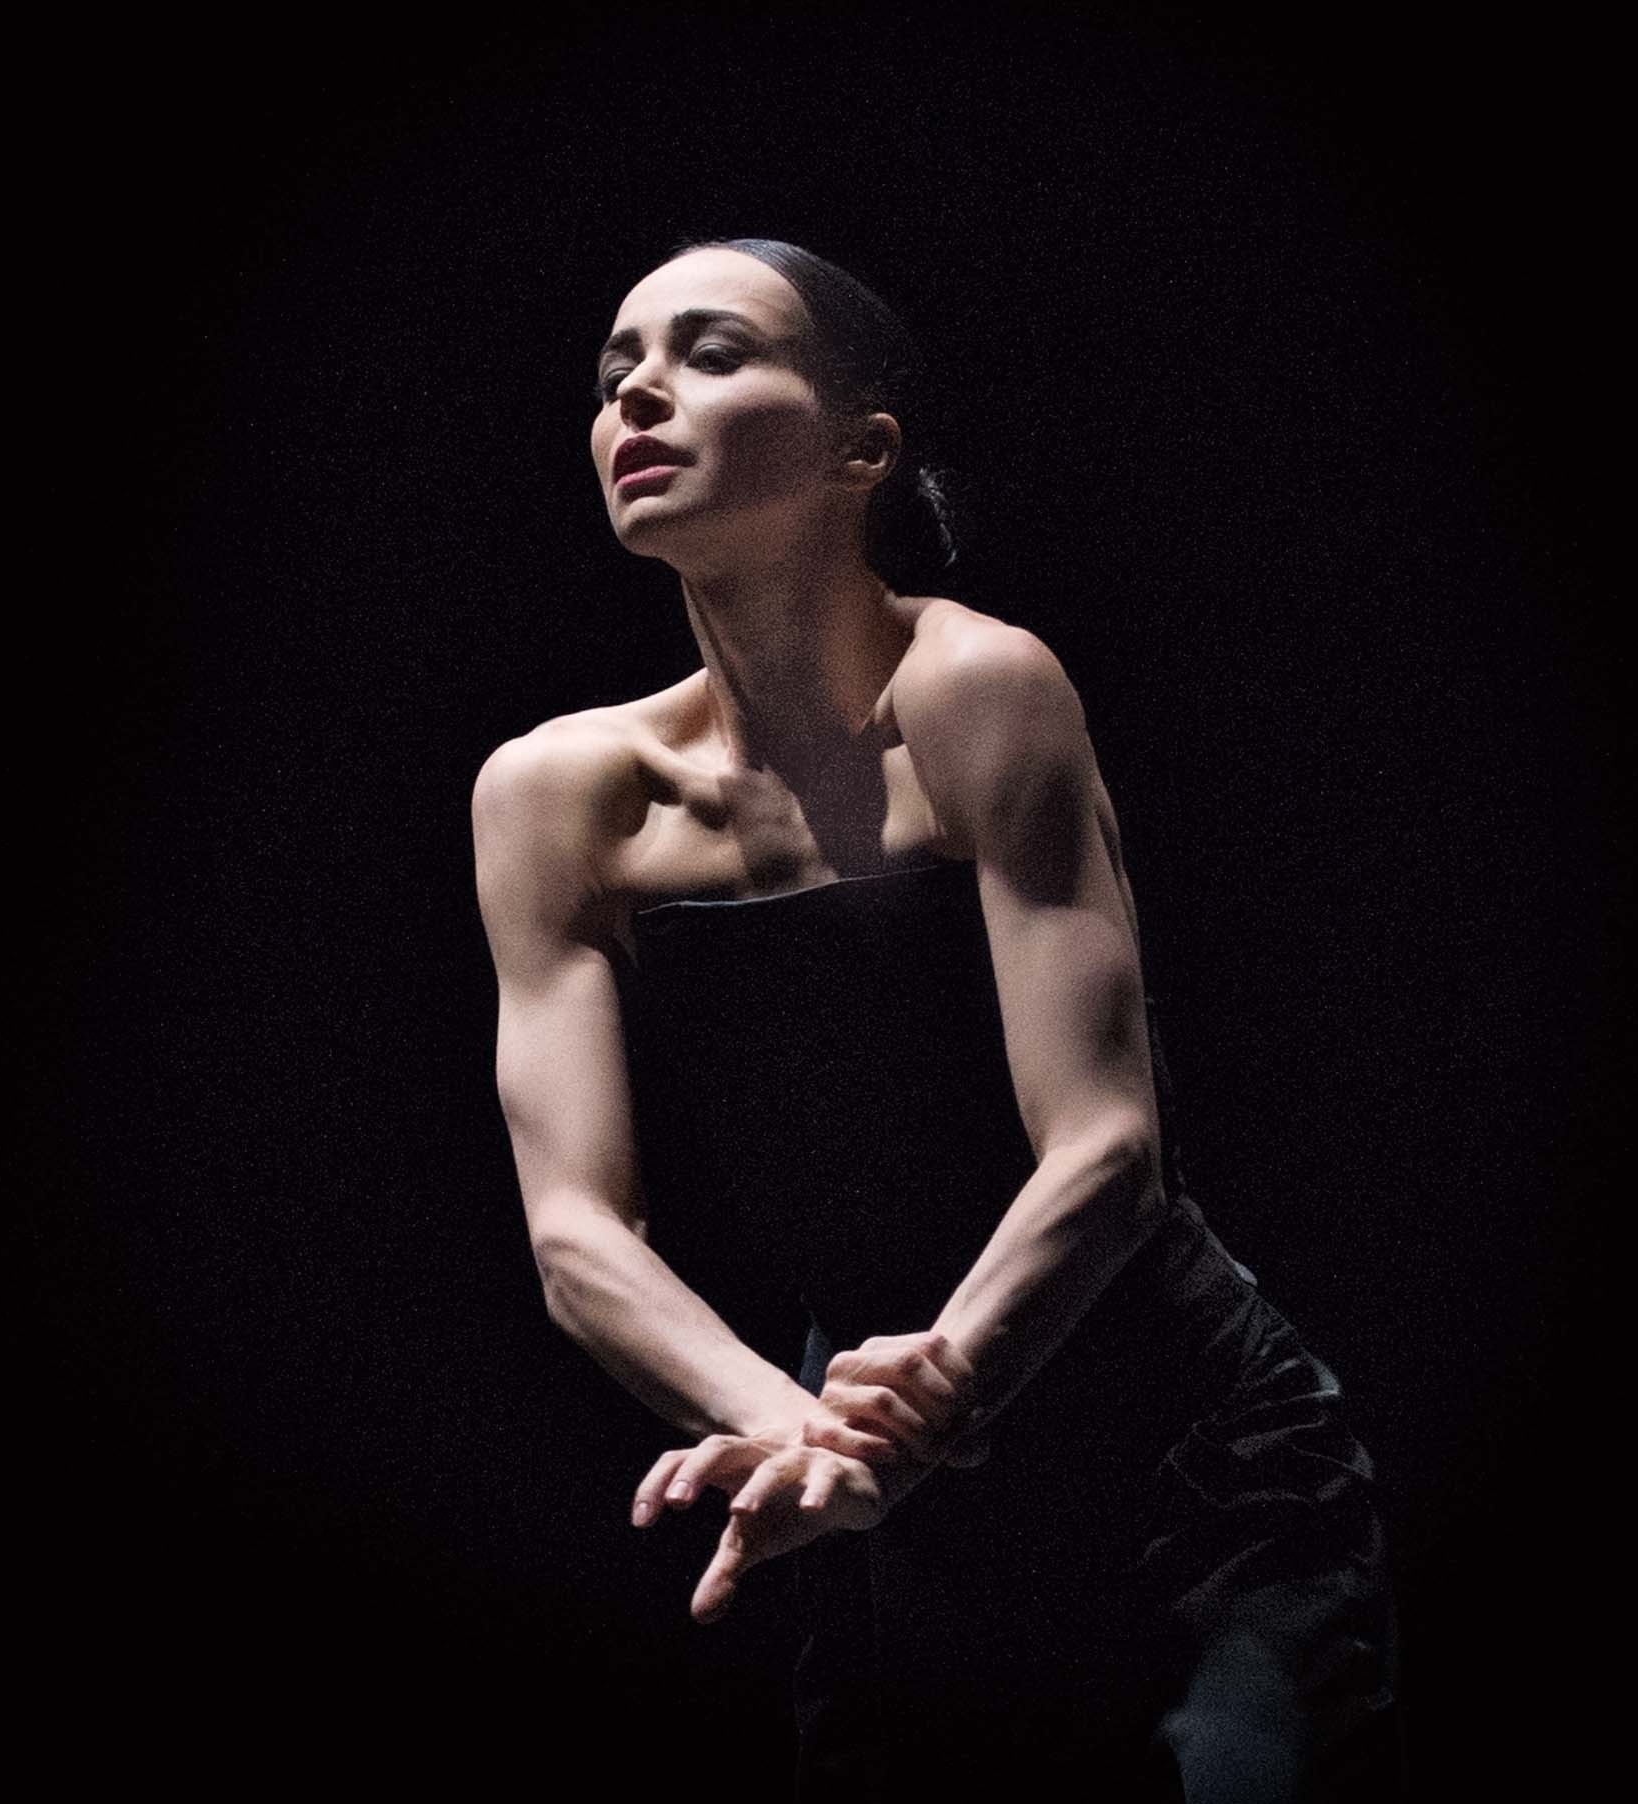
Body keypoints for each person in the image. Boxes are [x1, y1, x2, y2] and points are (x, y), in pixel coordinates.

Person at [472, 238, 1403, 1798]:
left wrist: (918, 1413)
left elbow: (1108, 1146)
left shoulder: (977, 687)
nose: (638, 393)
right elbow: (575, 1233)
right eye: (614, 370)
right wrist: (807, 1437)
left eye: (712, 353)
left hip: (1185, 1459)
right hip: (879, 1485)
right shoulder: (555, 795)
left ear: (863, 450)